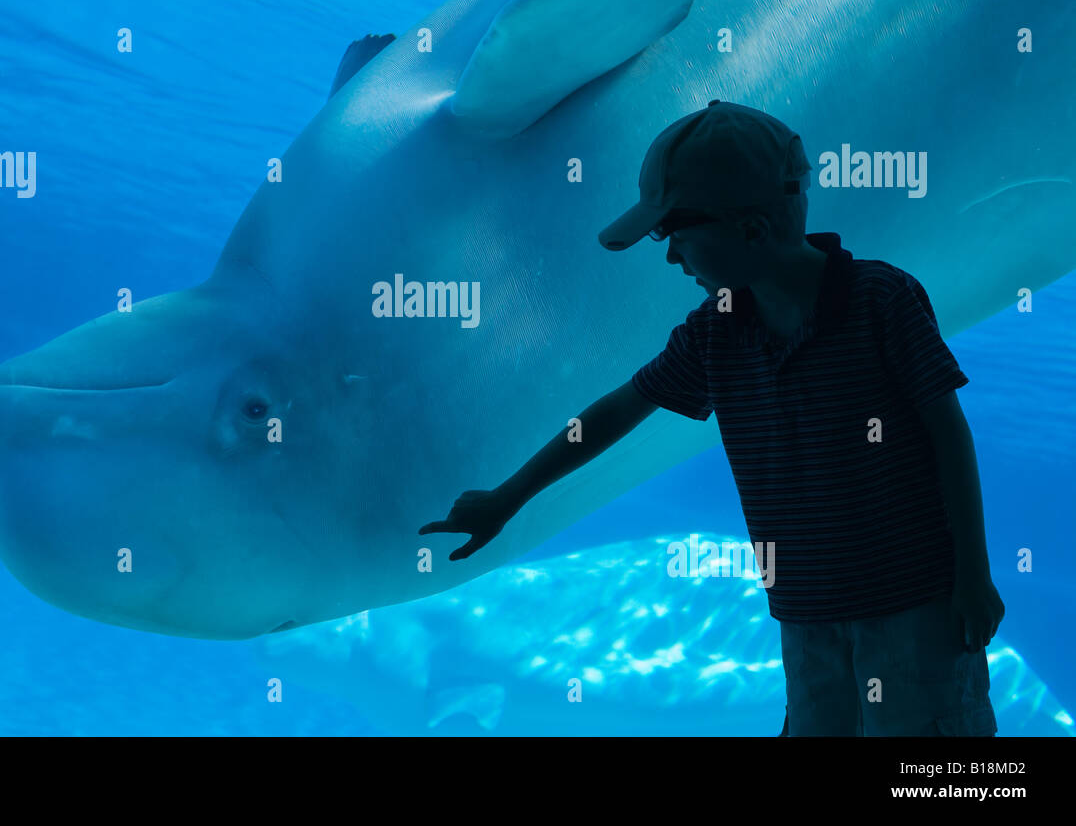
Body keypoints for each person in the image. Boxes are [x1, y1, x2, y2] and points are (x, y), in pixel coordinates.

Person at [419, 100, 1004, 736]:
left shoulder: (880, 301)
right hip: (805, 610)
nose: (671, 258)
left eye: (674, 234)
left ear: (751, 230)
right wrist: (508, 498)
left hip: (914, 602)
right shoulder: (715, 332)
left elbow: (948, 431)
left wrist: (973, 573)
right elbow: (617, 411)